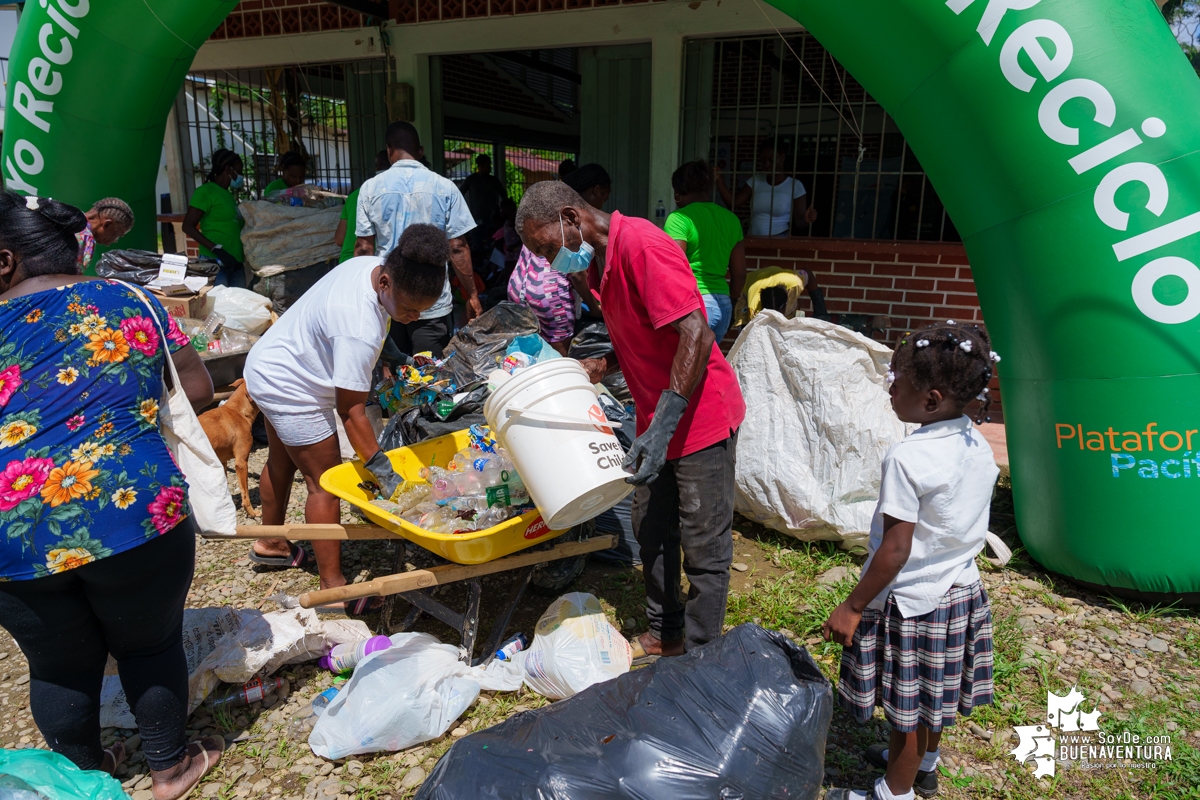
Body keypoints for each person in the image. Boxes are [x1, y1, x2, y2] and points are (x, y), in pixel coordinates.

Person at [0, 191, 221, 799]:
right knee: (149, 643)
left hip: (12, 532)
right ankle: (170, 769)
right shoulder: (133, 300)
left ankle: (84, 783)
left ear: (4, 261)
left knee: (56, 665)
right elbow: (198, 385)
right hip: (133, 507)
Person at [516, 181, 746, 660]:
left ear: (571, 218)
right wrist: (603, 366)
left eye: (545, 246)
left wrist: (662, 428)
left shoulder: (642, 245)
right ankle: (667, 633)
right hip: (655, 417)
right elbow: (643, 333)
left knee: (705, 549)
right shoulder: (599, 263)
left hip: (699, 418)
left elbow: (696, 334)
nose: (544, 260)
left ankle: (704, 662)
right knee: (652, 529)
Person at [823, 323, 1000, 800]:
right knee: (932, 698)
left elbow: (896, 549)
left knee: (908, 713)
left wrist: (854, 606)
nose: (890, 387)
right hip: (961, 590)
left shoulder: (908, 457)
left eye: (897, 380)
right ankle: (927, 763)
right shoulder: (974, 441)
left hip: (917, 602)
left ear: (931, 399)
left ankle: (893, 792)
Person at [244, 225, 450, 608]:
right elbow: (351, 411)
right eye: (407, 309)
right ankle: (333, 590)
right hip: (291, 385)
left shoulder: (370, 266)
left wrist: (398, 358)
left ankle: (270, 542)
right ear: (386, 281)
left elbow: (377, 326)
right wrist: (384, 471)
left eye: (420, 312)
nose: (410, 319)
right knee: (324, 482)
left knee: (281, 461)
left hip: (271, 361)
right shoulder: (359, 327)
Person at [355, 122, 480, 357]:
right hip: (431, 304)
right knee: (431, 378)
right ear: (420, 151)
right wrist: (472, 295)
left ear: (389, 149)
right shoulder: (446, 188)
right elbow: (458, 248)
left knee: (391, 382)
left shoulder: (370, 189)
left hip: (389, 301)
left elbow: (363, 248)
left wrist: (360, 299)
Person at [664, 161, 746, 342]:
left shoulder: (679, 218)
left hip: (694, 305)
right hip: (723, 305)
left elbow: (672, 268)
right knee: (706, 367)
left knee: (680, 368)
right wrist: (731, 302)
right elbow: (739, 273)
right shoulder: (731, 220)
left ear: (678, 193)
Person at [716, 138, 817, 236]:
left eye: (771, 160)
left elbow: (799, 222)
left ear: (782, 157)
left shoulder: (795, 185)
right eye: (763, 161)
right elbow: (733, 203)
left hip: (779, 238)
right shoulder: (756, 180)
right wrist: (719, 179)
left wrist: (807, 219)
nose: (766, 165)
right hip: (753, 238)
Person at [182, 148, 246, 288]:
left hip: (234, 263)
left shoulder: (228, 195)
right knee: (217, 308)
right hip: (215, 263)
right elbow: (187, 226)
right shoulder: (206, 192)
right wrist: (216, 249)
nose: (241, 176)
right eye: (239, 171)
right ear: (228, 170)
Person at [506, 243, 579, 355]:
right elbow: (578, 276)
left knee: (529, 350)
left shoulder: (534, 225)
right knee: (558, 357)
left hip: (517, 284)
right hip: (549, 292)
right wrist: (594, 308)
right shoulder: (569, 229)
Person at [336, 150, 389, 265]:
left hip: (347, 263)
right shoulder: (393, 195)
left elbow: (339, 239)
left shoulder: (354, 195)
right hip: (372, 264)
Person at [733, 265, 828, 325]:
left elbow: (808, 272)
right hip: (746, 287)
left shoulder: (796, 282)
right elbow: (752, 333)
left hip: (781, 278)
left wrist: (821, 312)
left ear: (786, 304)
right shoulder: (754, 307)